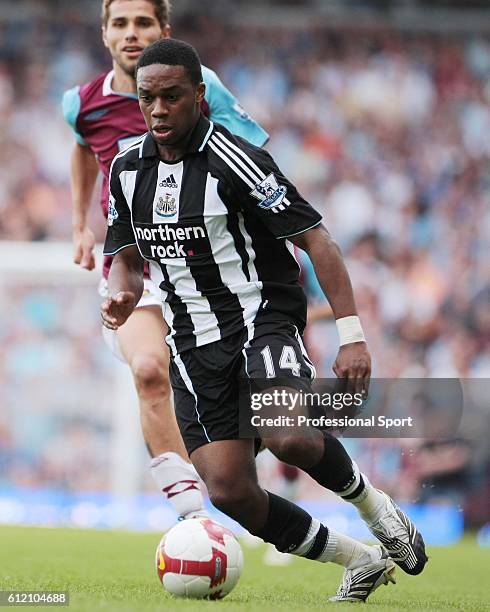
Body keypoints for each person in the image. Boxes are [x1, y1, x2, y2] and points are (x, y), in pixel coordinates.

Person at [101, 38, 427, 602]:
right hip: (192, 343)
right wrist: (121, 295)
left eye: (171, 97)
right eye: (147, 97)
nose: (157, 110)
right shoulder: (128, 171)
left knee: (289, 437)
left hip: (262, 322)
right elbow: (126, 261)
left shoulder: (236, 159)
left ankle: (377, 509)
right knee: (228, 491)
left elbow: (317, 240)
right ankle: (361, 560)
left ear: (199, 97)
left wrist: (352, 337)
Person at [61, 0, 268, 520]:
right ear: (105, 33)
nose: (132, 34)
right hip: (132, 261)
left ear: (163, 30)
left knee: (237, 394)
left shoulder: (201, 85)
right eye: (121, 23)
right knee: (149, 368)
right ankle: (194, 518)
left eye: (143, 23)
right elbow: (84, 147)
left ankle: (250, 482)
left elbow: (251, 155)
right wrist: (81, 222)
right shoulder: (81, 103)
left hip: (203, 262)